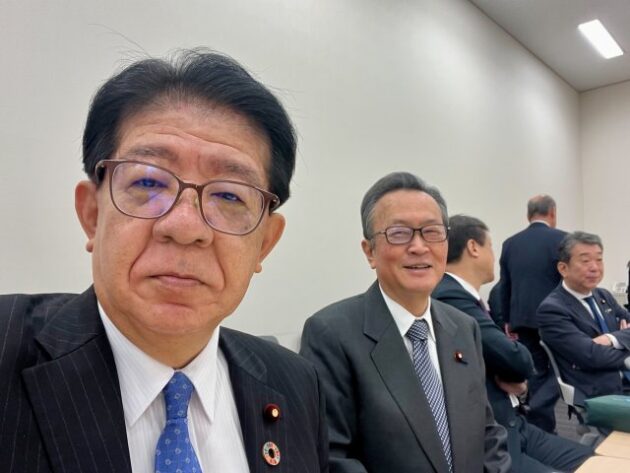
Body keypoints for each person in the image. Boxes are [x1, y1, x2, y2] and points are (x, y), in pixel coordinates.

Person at [0, 50, 328, 473]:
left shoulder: (297, 385)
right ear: (92, 214)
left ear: (265, 243)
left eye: (230, 195)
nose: (186, 226)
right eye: (148, 181)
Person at [301, 172, 511, 473]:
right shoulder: (331, 334)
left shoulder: (464, 328)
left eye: (432, 232)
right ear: (370, 251)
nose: (419, 247)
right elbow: (332, 458)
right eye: (399, 233)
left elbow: (487, 432)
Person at [434, 215, 592, 473]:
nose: (493, 255)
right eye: (490, 246)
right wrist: (515, 373)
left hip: (515, 423)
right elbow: (517, 359)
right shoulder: (451, 297)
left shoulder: (464, 297)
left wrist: (518, 381)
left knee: (596, 460)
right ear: (474, 247)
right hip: (496, 437)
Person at [498, 194, 566, 432]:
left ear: (528, 215)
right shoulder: (563, 240)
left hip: (522, 318)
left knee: (536, 370)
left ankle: (540, 426)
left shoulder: (510, 243)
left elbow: (505, 285)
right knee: (564, 367)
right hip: (556, 317)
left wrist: (507, 319)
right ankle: (538, 410)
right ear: (553, 213)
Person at [538, 231, 630, 402]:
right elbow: (591, 356)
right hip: (599, 393)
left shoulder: (603, 296)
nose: (594, 267)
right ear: (563, 268)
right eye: (585, 261)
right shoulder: (552, 309)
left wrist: (611, 339)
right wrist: (625, 347)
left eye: (599, 259)